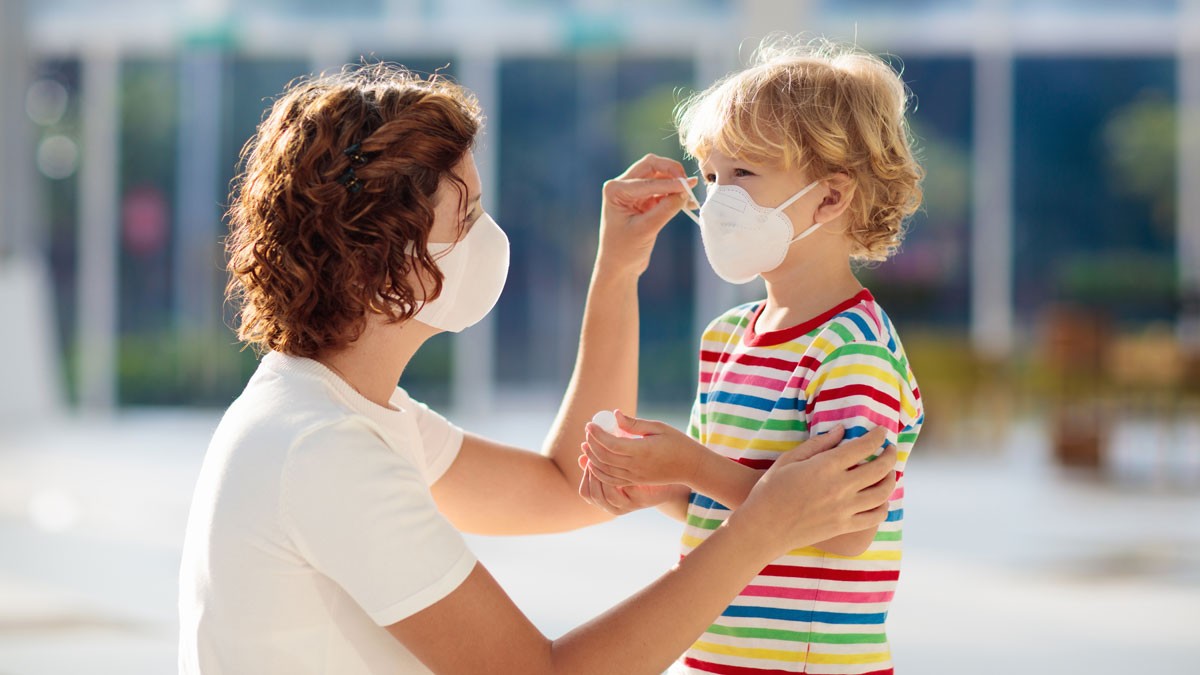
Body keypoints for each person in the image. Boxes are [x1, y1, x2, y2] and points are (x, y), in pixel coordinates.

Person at [176, 62, 898, 674]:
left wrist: (617, 272)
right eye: (467, 220)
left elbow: (566, 486)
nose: (492, 238)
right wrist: (760, 527)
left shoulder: (345, 413)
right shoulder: (322, 449)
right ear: (388, 260)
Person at [578, 37, 925, 675]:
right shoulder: (727, 336)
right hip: (715, 657)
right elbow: (729, 503)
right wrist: (659, 487)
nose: (717, 201)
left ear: (829, 198)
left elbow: (847, 528)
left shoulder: (853, 353)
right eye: (710, 177)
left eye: (743, 175)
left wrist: (688, 461)